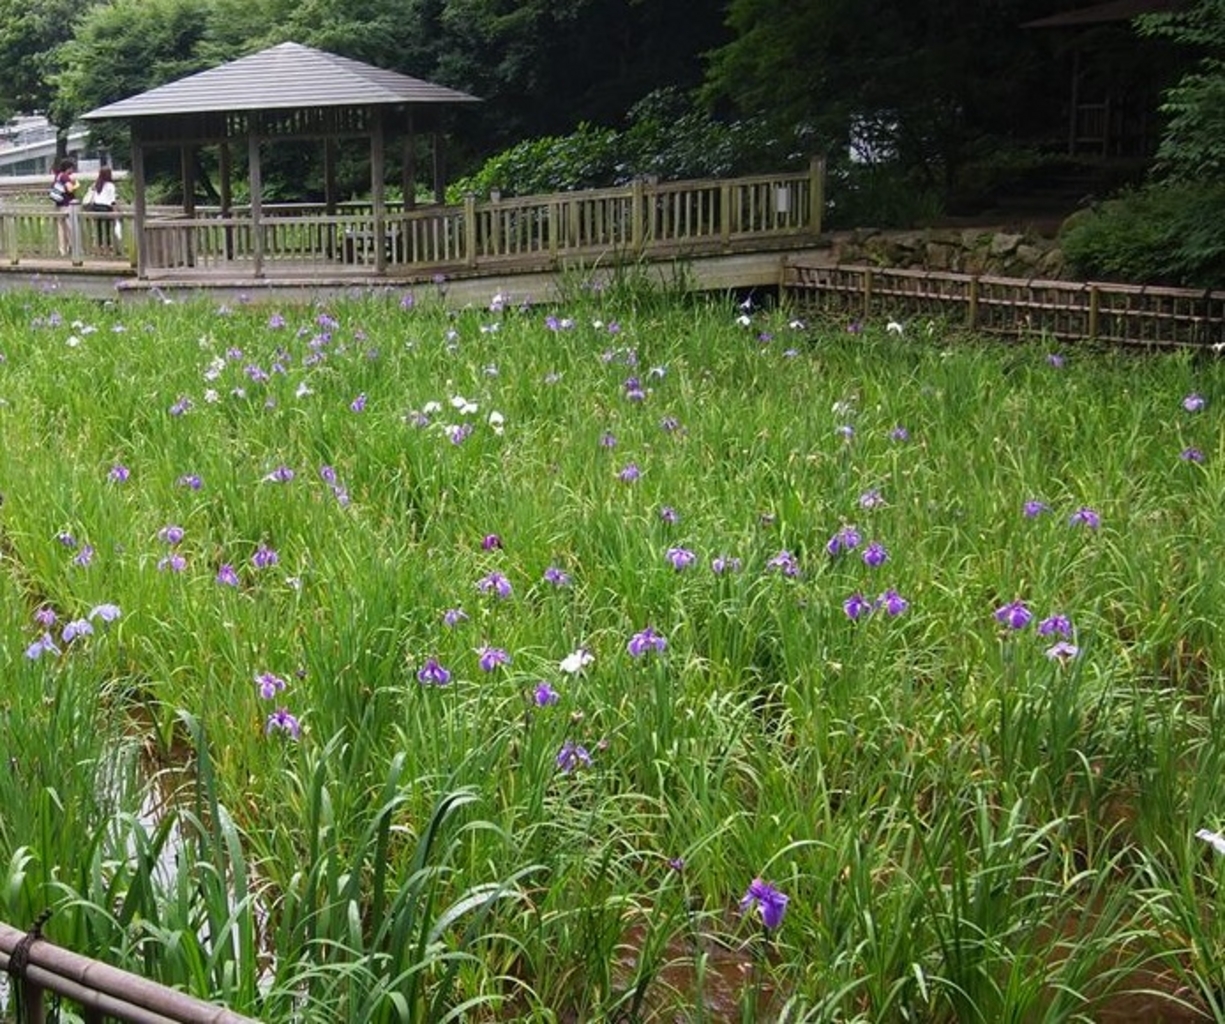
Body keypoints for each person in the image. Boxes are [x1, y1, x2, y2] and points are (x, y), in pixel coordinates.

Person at [83, 165, 118, 252]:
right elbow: (112, 200)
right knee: (107, 229)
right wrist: (115, 211)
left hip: (95, 207)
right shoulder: (110, 185)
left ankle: (99, 245)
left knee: (98, 228)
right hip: (106, 208)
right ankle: (107, 245)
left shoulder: (96, 184)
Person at [50, 158, 78, 256]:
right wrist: (76, 185)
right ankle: (73, 248)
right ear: (68, 168)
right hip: (66, 205)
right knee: (70, 227)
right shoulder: (65, 177)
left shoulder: (57, 176)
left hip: (58, 204)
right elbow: (70, 190)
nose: (72, 170)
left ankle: (62, 250)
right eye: (71, 168)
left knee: (61, 228)